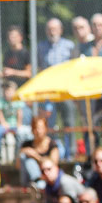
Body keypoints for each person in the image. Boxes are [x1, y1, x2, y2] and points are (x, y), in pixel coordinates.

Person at [39, 18, 77, 155]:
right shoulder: (41, 47)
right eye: (49, 29)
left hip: (65, 90)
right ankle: (50, 151)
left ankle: (71, 151)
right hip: (48, 92)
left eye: (54, 29)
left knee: (69, 122)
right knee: (49, 123)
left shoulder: (69, 46)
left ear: (60, 30)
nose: (52, 32)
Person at [18, 116, 59, 189]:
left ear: (45, 129)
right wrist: (22, 152)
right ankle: (30, 185)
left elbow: (52, 165)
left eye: (40, 128)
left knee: (30, 160)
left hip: (46, 178)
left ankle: (39, 183)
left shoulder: (52, 145)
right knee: (24, 157)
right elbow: (17, 166)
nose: (37, 131)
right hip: (27, 179)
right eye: (35, 128)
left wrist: (35, 156)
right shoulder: (26, 145)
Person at [0, 80, 30, 157]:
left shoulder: (17, 101)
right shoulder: (1, 101)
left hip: (15, 124)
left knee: (21, 134)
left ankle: (18, 153)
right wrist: (3, 123)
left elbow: (19, 113)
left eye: (9, 90)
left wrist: (18, 124)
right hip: (4, 124)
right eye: (5, 90)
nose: (7, 92)